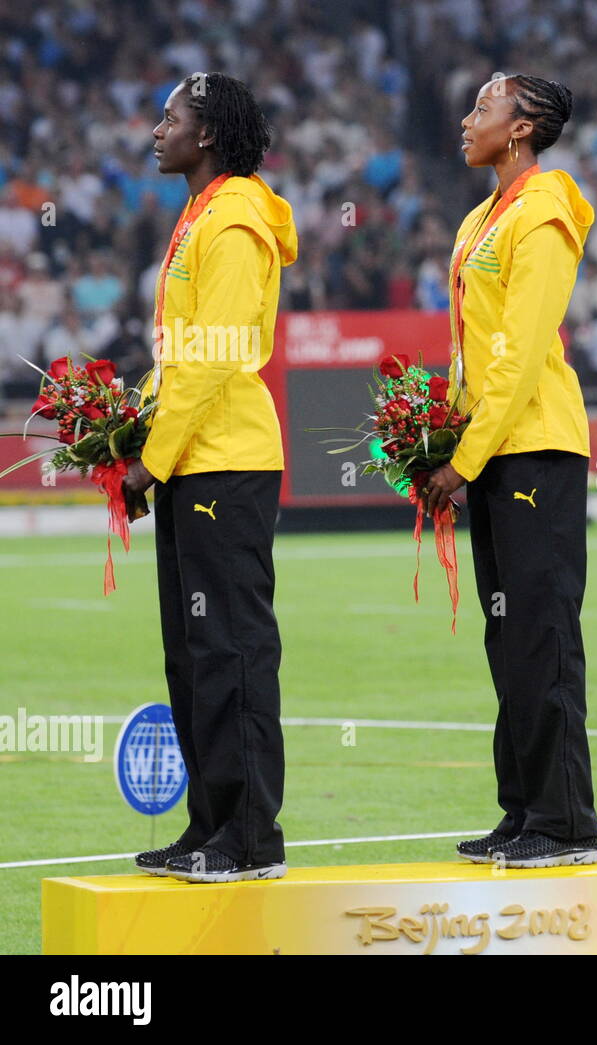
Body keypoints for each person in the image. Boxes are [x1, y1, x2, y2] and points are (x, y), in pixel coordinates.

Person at [422, 74, 597, 868]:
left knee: (542, 633)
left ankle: (566, 823)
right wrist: (446, 440)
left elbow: (522, 352)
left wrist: (462, 459)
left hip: (534, 449)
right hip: (494, 448)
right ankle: (523, 807)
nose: (466, 121)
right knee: (508, 638)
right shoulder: (479, 218)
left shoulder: (546, 209)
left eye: (482, 109)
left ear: (521, 128)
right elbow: (472, 351)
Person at [124, 73, 298, 881]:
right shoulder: (200, 216)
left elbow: (212, 353)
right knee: (194, 656)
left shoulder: (233, 221)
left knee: (230, 652)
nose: (157, 131)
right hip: (194, 459)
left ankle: (250, 837)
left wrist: (150, 459)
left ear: (210, 137)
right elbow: (175, 355)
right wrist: (129, 430)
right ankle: (208, 826)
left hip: (224, 462)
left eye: (171, 119)